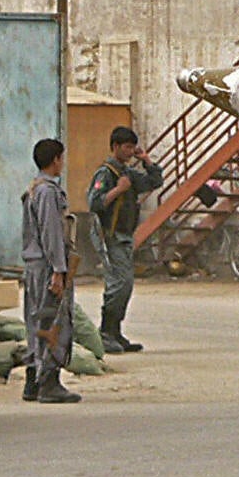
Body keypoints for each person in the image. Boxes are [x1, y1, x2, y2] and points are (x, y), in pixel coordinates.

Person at [86, 126, 163, 353]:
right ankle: (106, 332)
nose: (130, 151)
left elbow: (154, 182)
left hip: (124, 236)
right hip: (110, 235)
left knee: (125, 285)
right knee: (118, 284)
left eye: (132, 147)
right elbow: (94, 203)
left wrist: (147, 160)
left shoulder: (127, 173)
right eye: (127, 147)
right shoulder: (106, 173)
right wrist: (117, 191)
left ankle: (115, 331)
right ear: (115, 147)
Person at [21, 137, 80, 405]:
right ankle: (49, 382)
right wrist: (59, 270)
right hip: (46, 267)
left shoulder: (34, 188)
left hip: (35, 265)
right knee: (53, 321)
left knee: (36, 321)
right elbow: (52, 233)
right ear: (56, 159)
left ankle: (32, 381)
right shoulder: (47, 192)